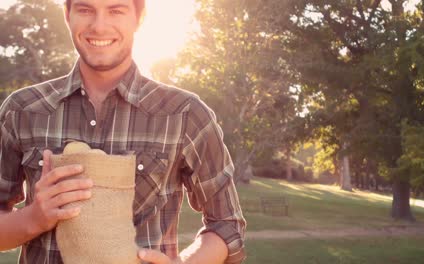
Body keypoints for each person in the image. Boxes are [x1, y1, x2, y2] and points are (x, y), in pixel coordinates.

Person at [0, 0, 246, 263]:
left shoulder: (186, 113)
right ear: (68, 15)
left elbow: (227, 224)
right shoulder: (21, 110)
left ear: (139, 19)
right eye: (85, 9)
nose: (99, 26)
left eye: (115, 10)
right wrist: (35, 217)